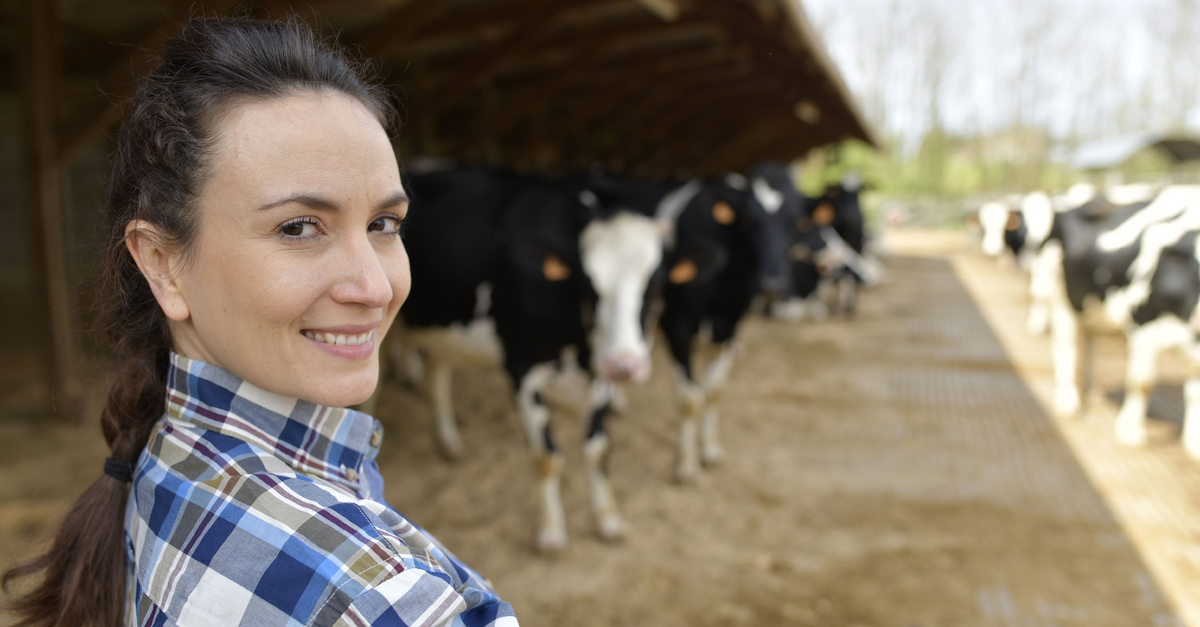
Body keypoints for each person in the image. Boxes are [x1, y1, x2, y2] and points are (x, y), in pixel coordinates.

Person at [2, 15, 518, 627]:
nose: (376, 288)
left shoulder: (165, 468)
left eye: (384, 224)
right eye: (298, 228)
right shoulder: (366, 594)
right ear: (163, 264)